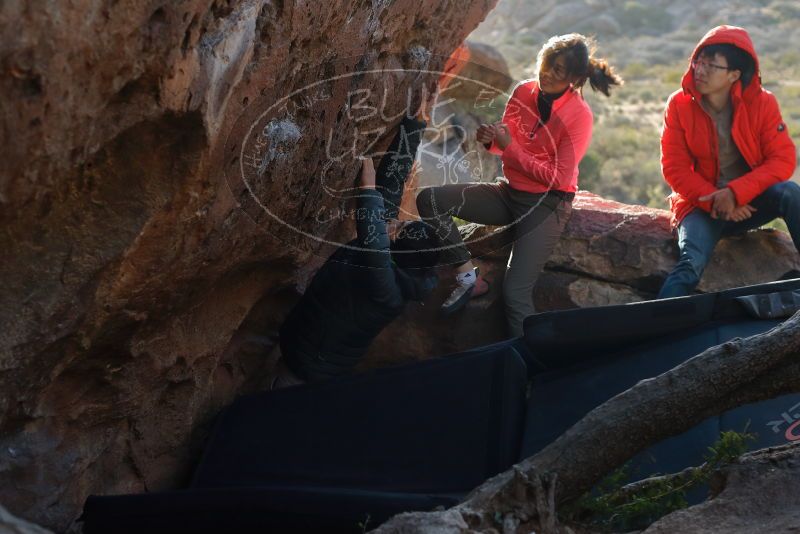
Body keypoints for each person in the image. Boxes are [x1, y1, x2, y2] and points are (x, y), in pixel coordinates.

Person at [416, 33, 622, 336]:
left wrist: (508, 147)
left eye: (559, 70)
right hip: (510, 192)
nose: (547, 72)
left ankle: (525, 367)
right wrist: (490, 141)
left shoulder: (579, 116)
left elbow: (558, 177)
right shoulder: (524, 91)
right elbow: (505, 143)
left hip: (547, 204)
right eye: (546, 62)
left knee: (514, 293)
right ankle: (467, 277)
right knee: (430, 200)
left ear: (575, 79)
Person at [657, 25, 798, 298]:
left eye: (712, 66)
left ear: (734, 75)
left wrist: (736, 193)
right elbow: (674, 167)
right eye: (699, 61)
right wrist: (716, 200)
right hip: (701, 205)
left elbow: (782, 159)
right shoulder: (679, 104)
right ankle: (648, 329)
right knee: (689, 265)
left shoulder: (762, 103)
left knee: (790, 194)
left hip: (749, 202)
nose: (701, 70)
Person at [274, 158, 441, 387]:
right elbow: (389, 203)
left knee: (274, 408)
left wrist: (368, 187)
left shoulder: (387, 289)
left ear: (399, 248)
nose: (394, 221)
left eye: (400, 227)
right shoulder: (404, 273)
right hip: (311, 347)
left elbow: (373, 240)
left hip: (312, 362)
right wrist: (414, 125)